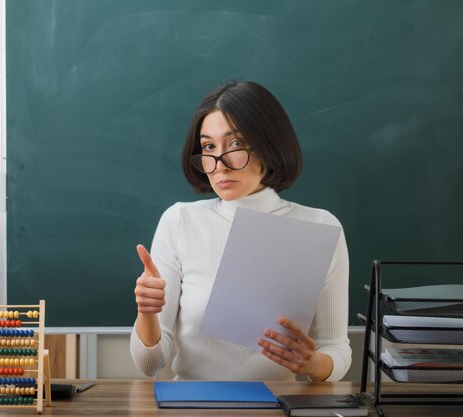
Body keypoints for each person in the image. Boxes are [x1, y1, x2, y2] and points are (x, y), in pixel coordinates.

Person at [130, 80, 351, 382]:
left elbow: (336, 348)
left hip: (277, 404)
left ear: (270, 145)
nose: (220, 164)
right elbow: (149, 364)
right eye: (208, 147)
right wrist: (147, 313)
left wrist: (313, 365)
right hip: (191, 406)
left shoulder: (321, 227)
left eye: (235, 144)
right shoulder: (180, 221)